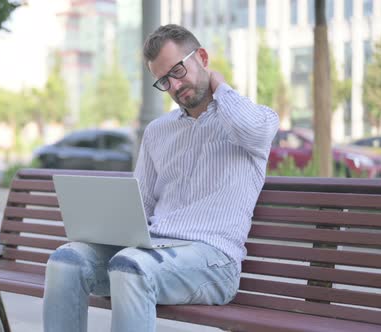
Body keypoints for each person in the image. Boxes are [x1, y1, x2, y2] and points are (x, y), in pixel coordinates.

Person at [43, 24, 279, 332]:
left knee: (132, 267)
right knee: (67, 261)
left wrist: (221, 87)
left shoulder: (252, 120)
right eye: (164, 80)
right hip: (156, 250)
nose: (175, 86)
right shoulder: (158, 131)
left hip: (214, 262)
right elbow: (142, 203)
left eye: (178, 70)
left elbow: (255, 132)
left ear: (202, 58)